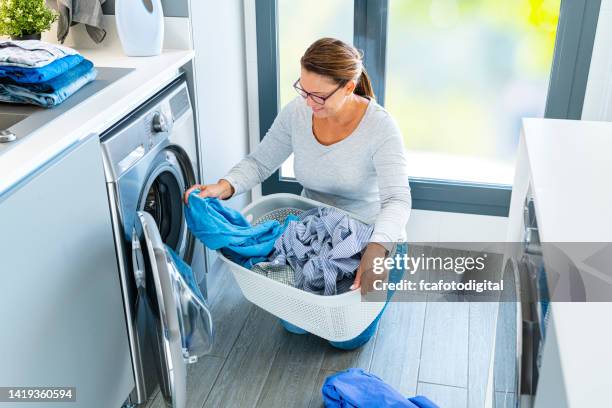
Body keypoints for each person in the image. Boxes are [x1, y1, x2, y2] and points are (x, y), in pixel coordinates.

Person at [184, 37, 411, 349]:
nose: (308, 102)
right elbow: (260, 161)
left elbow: (397, 199)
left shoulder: (381, 129)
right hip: (311, 231)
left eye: (318, 95)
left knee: (344, 340)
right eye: (303, 90)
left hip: (370, 237)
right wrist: (224, 187)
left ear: (348, 86)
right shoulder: (298, 113)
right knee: (296, 326)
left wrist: (376, 251)